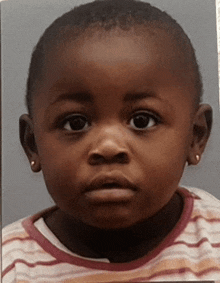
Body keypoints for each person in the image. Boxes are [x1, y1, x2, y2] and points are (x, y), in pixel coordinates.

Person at [2, 0, 220, 281]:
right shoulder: (12, 266)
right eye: (75, 123)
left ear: (195, 137)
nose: (108, 147)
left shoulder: (213, 243)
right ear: (32, 144)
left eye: (142, 121)